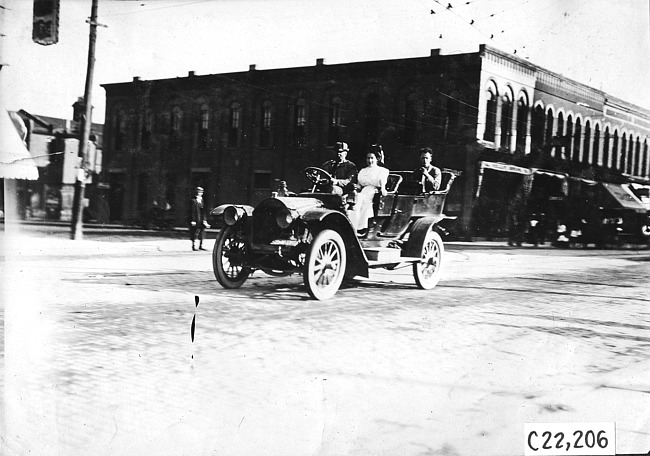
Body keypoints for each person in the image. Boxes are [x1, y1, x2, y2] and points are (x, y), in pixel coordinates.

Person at [350, 148, 389, 234]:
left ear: (377, 159)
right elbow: (359, 184)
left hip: (374, 191)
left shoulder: (382, 170)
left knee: (365, 202)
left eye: (372, 158)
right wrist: (356, 188)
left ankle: (363, 227)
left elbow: (382, 181)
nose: (370, 160)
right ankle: (353, 226)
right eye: (368, 158)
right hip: (363, 191)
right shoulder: (363, 171)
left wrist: (383, 188)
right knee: (356, 200)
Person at [188, 186, 209, 251]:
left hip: (201, 219)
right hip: (196, 219)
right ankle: (193, 246)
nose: (200, 193)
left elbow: (203, 211)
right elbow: (191, 211)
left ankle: (200, 245)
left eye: (201, 192)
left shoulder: (201, 200)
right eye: (199, 192)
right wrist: (193, 220)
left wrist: (205, 220)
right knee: (194, 233)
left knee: (202, 233)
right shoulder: (193, 200)